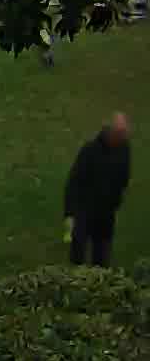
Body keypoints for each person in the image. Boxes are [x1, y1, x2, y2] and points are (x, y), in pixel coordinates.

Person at [66, 112, 131, 267]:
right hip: (85, 210)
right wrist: (70, 213)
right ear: (110, 132)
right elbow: (74, 182)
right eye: (120, 134)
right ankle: (75, 279)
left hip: (106, 212)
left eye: (124, 134)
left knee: (102, 254)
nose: (123, 138)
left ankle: (99, 281)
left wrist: (116, 201)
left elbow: (124, 176)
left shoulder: (124, 149)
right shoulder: (90, 151)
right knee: (78, 252)